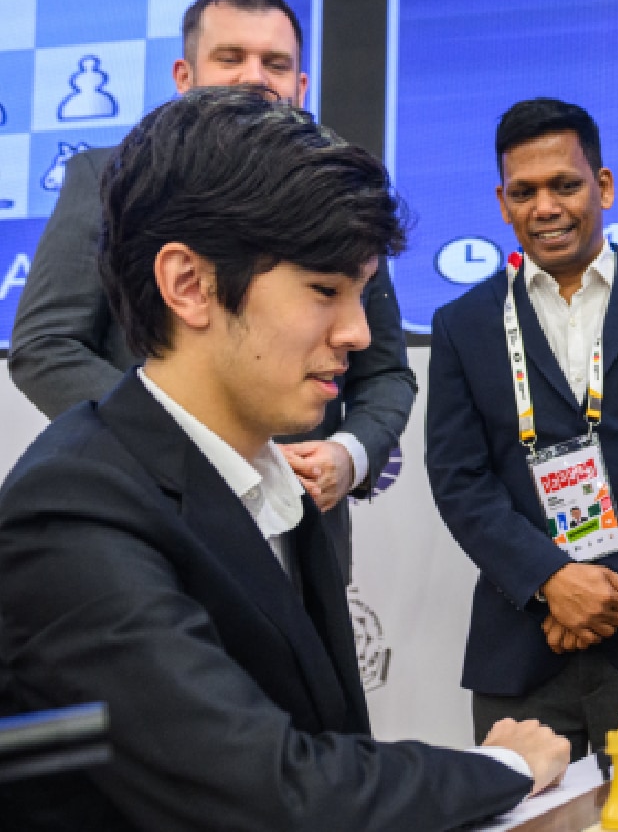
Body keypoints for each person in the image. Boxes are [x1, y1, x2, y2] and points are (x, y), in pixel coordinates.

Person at [0, 87, 568, 831]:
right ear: (189, 285)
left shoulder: (279, 486)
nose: (358, 333)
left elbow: (324, 747)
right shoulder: (73, 510)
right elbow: (275, 792)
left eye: (361, 293)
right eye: (324, 290)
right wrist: (505, 767)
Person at [9, 0, 413, 581]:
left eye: (275, 63)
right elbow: (45, 346)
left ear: (301, 85)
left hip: (304, 533)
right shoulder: (108, 176)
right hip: (158, 514)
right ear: (183, 73)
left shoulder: (337, 196)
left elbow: (382, 368)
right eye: (231, 58)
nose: (255, 77)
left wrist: (348, 455)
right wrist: (187, 445)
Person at [427, 99, 618, 757]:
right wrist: (552, 582)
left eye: (565, 184)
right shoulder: (463, 325)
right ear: (502, 203)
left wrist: (615, 587)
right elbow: (459, 480)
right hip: (523, 648)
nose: (546, 207)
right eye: (524, 191)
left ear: (605, 186)